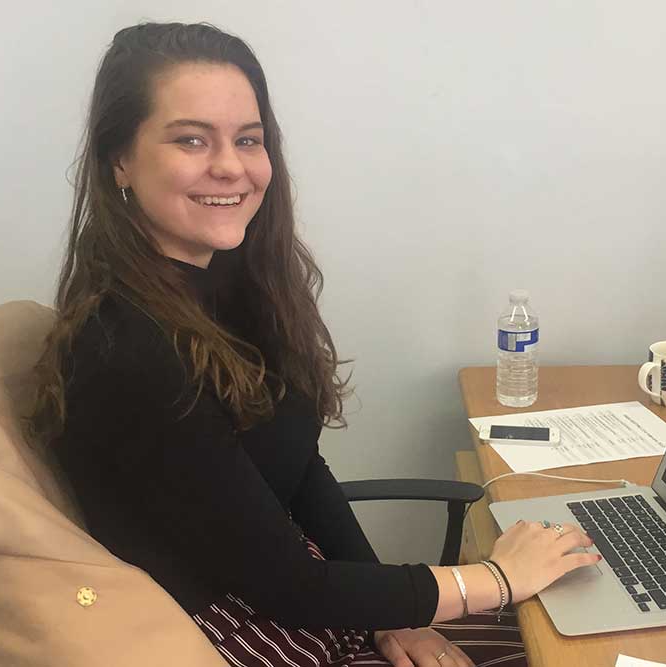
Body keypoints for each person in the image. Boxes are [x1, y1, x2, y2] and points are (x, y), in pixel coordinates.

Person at [31, 22, 600, 667]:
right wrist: (493, 582)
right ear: (120, 161)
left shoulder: (232, 285)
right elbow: (286, 587)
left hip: (297, 603)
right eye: (191, 139)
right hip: (229, 636)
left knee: (580, 626)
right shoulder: (125, 349)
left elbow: (299, 470)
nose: (231, 165)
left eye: (249, 139)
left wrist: (397, 615)